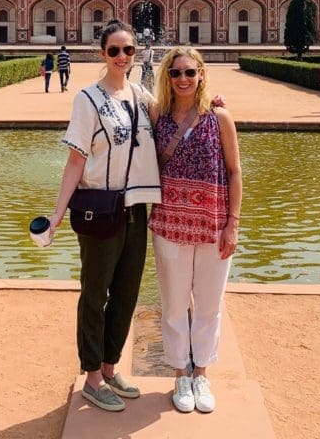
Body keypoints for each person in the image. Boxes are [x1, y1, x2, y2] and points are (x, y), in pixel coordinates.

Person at [49, 20, 161, 413]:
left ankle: (110, 367)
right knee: (95, 294)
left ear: (136, 54)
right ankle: (92, 376)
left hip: (136, 209)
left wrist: (210, 105)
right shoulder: (88, 99)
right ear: (102, 54)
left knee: (127, 293)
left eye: (128, 50)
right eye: (114, 50)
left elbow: (174, 118)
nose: (122, 57)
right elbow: (76, 159)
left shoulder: (141, 96)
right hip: (99, 208)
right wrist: (57, 214)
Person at [148, 47, 242, 414]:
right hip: (169, 224)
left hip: (212, 224)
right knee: (173, 304)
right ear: (167, 78)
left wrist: (232, 225)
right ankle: (179, 375)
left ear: (201, 74)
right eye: (175, 73)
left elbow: (235, 172)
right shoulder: (157, 115)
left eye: (189, 72)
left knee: (208, 305)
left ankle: (201, 373)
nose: (183, 79)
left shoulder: (219, 117)